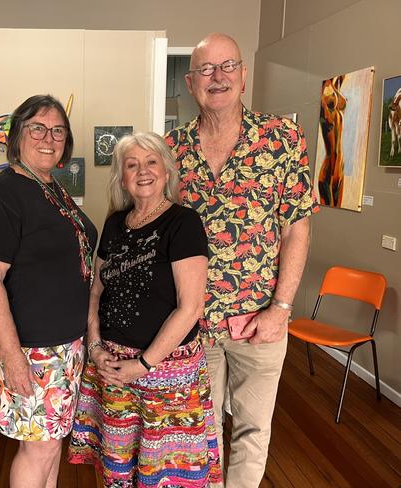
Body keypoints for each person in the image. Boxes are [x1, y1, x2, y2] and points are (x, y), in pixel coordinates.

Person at [165, 33, 318, 487]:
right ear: (191, 83)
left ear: (244, 76)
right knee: (201, 431)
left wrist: (281, 309)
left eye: (227, 66)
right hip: (193, 322)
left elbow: (297, 229)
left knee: (253, 430)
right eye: (207, 70)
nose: (218, 77)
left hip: (260, 321)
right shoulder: (170, 150)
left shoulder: (282, 138)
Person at [68, 132, 222, 488]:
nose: (142, 171)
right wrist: (95, 347)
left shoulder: (183, 223)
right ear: (122, 177)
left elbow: (190, 307)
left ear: (166, 172)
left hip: (166, 375)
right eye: (132, 165)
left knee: (165, 476)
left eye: (151, 162)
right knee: (118, 469)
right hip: (112, 369)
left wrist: (144, 364)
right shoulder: (114, 224)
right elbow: (96, 292)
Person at [0, 95, 97, 488]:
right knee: (38, 448)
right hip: (32, 349)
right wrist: (11, 355)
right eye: (37, 128)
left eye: (58, 130)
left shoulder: (50, 187)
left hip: (64, 345)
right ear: (17, 136)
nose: (49, 137)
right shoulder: (3, 193)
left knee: (51, 443)